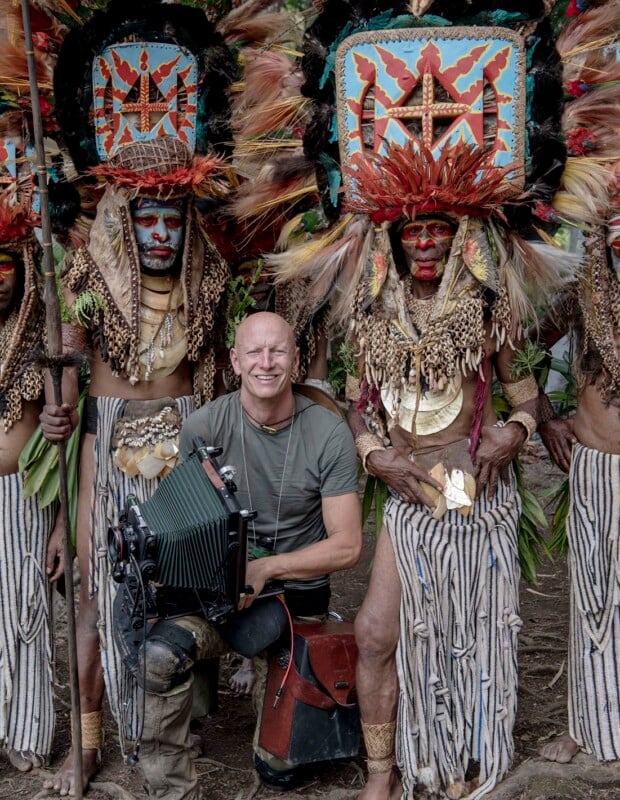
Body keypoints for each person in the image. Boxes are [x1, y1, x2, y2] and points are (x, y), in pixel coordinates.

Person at [39, 137, 230, 795]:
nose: (157, 232)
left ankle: (172, 728)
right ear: (123, 217)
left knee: (180, 589)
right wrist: (58, 413)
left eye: (170, 220)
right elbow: (65, 370)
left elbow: (216, 380)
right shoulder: (87, 281)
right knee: (97, 592)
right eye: (145, 217)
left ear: (186, 224)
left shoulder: (209, 281)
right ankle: (88, 744)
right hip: (109, 439)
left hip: (184, 438)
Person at [128, 310, 362, 799]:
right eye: (254, 351)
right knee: (158, 655)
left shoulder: (328, 432)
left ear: (296, 361)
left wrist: (266, 568)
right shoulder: (203, 425)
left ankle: (278, 688)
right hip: (224, 597)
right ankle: (172, 789)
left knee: (280, 770)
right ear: (235, 360)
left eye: (278, 351)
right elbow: (188, 520)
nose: (266, 362)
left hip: (295, 599)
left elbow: (347, 545)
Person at [347, 213, 541, 800]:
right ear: (393, 242)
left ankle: (464, 758)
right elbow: (360, 405)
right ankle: (383, 771)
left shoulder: (487, 309)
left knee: (471, 632)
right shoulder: (375, 313)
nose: (425, 243)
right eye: (412, 232)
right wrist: (373, 453)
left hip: (473, 500)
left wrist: (516, 430)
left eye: (437, 229)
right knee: (376, 633)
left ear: (462, 238)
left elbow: (525, 393)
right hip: (408, 498)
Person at [535, 216, 620, 766]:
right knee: (592, 597)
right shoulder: (582, 292)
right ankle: (587, 723)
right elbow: (520, 346)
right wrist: (544, 416)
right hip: (596, 466)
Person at [0, 241, 56, 774]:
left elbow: (64, 421)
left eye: (4, 266)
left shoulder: (44, 334)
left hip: (23, 495)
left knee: (28, 609)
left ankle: (28, 730)